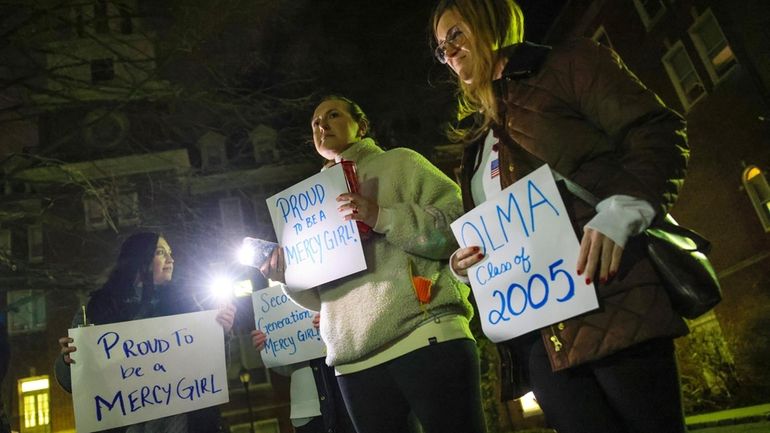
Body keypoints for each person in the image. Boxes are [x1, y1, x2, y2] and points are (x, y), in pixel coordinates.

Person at [431, 1, 690, 432]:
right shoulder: (476, 141)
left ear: (490, 21)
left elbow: (658, 132)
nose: (450, 51)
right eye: (441, 47)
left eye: (456, 34)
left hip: (610, 296)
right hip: (537, 338)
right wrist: (469, 265)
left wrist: (621, 212)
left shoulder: (568, 63)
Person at [261, 95, 486, 433]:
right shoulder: (310, 207)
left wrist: (381, 216)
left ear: (361, 126)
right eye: (315, 124)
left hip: (425, 335)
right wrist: (286, 279)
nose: (322, 125)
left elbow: (456, 224)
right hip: (354, 363)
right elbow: (323, 299)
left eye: (333, 115)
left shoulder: (401, 163)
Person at [55, 232, 236, 433]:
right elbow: (73, 384)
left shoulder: (187, 307)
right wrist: (68, 361)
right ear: (139, 259)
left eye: (170, 253)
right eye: (161, 252)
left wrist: (221, 334)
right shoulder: (96, 309)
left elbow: (214, 372)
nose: (171, 259)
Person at [252, 314, 355, 433]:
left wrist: (334, 324)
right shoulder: (279, 307)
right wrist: (268, 349)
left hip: (346, 400)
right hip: (308, 410)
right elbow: (285, 370)